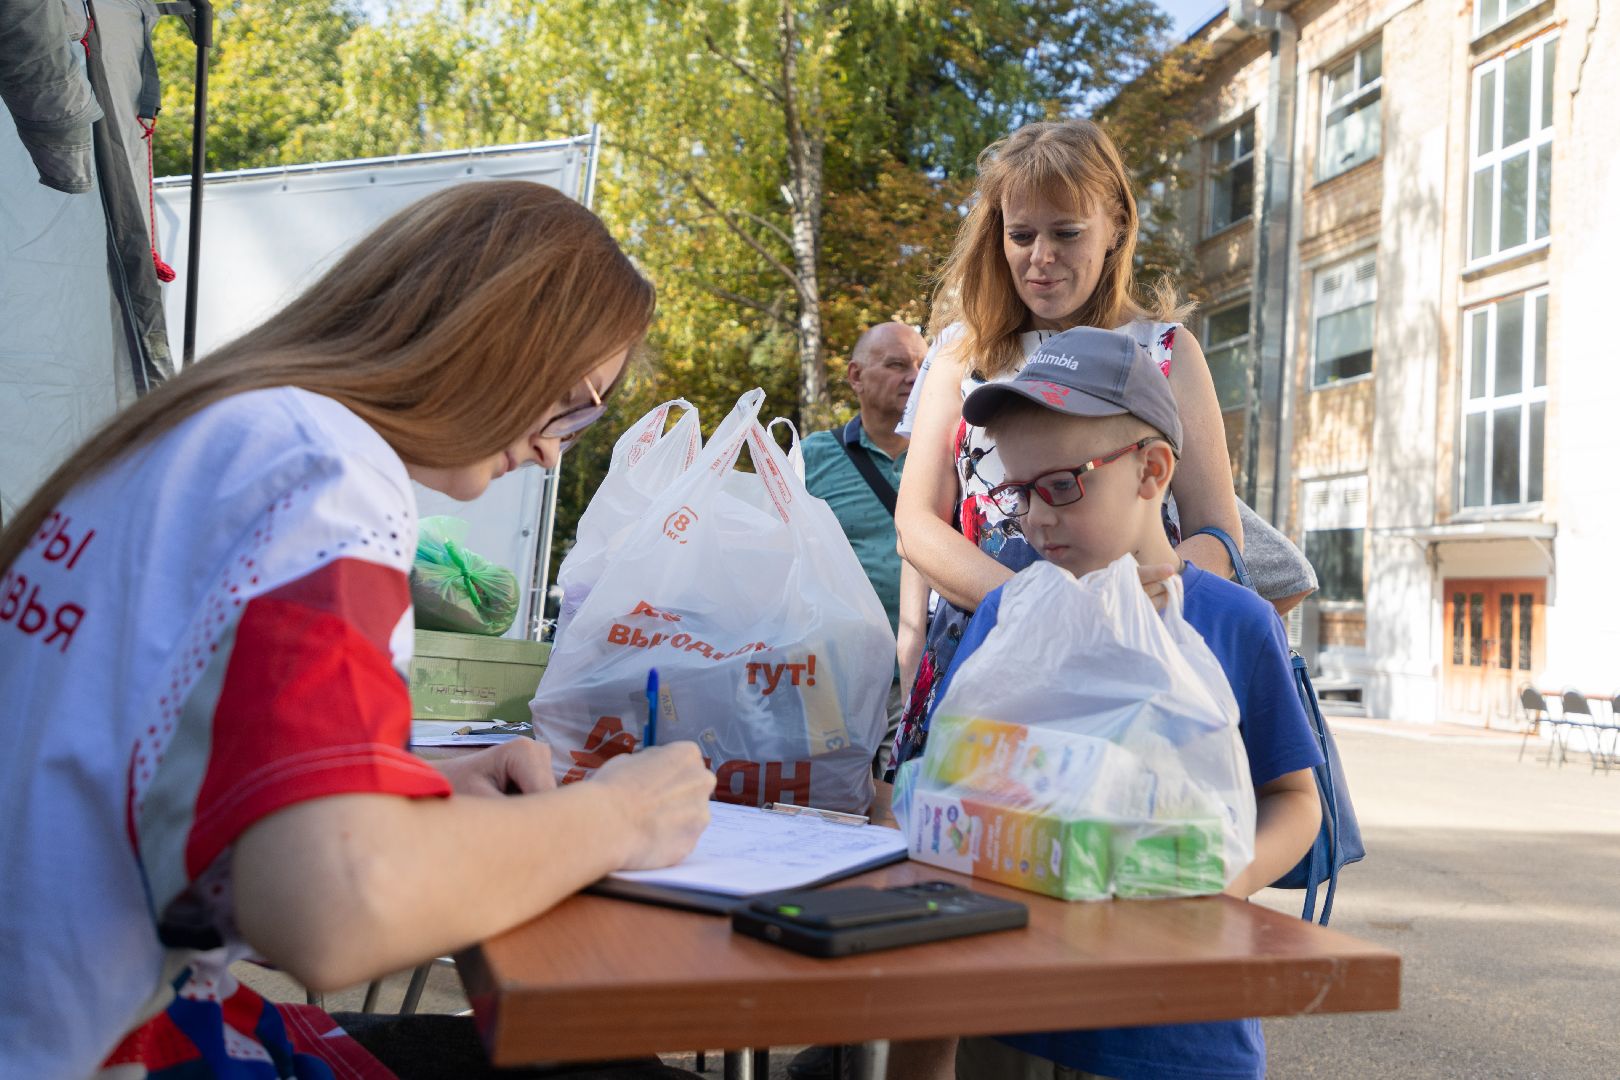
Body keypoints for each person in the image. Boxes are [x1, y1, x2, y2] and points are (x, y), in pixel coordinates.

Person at [0, 182, 716, 1079]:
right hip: (106, 1047)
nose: (551, 449)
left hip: (68, 1017)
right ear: (494, 334)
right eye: (573, 402)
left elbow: (142, 785)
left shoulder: (206, 433)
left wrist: (410, 791)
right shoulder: (327, 471)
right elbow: (333, 906)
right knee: (605, 1066)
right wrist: (620, 815)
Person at [891, 326, 1324, 1080]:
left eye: (1060, 486)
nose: (1034, 519)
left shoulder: (1232, 623)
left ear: (1153, 470)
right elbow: (954, 788)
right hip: (1013, 1020)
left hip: (1177, 1029)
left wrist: (1226, 880)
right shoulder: (1008, 617)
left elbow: (1295, 800)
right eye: (1019, 492)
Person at [892, 119, 1311, 766]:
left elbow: (1217, 533)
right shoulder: (958, 355)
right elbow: (916, 524)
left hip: (1129, 664)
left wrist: (1133, 598)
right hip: (985, 648)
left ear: (1115, 224)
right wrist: (1027, 603)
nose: (1041, 257)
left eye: (1067, 233)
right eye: (1021, 234)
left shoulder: (1167, 352)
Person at [801, 321, 926, 775]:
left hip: (918, 680)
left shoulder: (952, 459)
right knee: (829, 810)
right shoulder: (813, 457)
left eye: (921, 365)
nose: (914, 376)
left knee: (899, 815)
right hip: (832, 681)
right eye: (897, 365)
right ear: (856, 376)